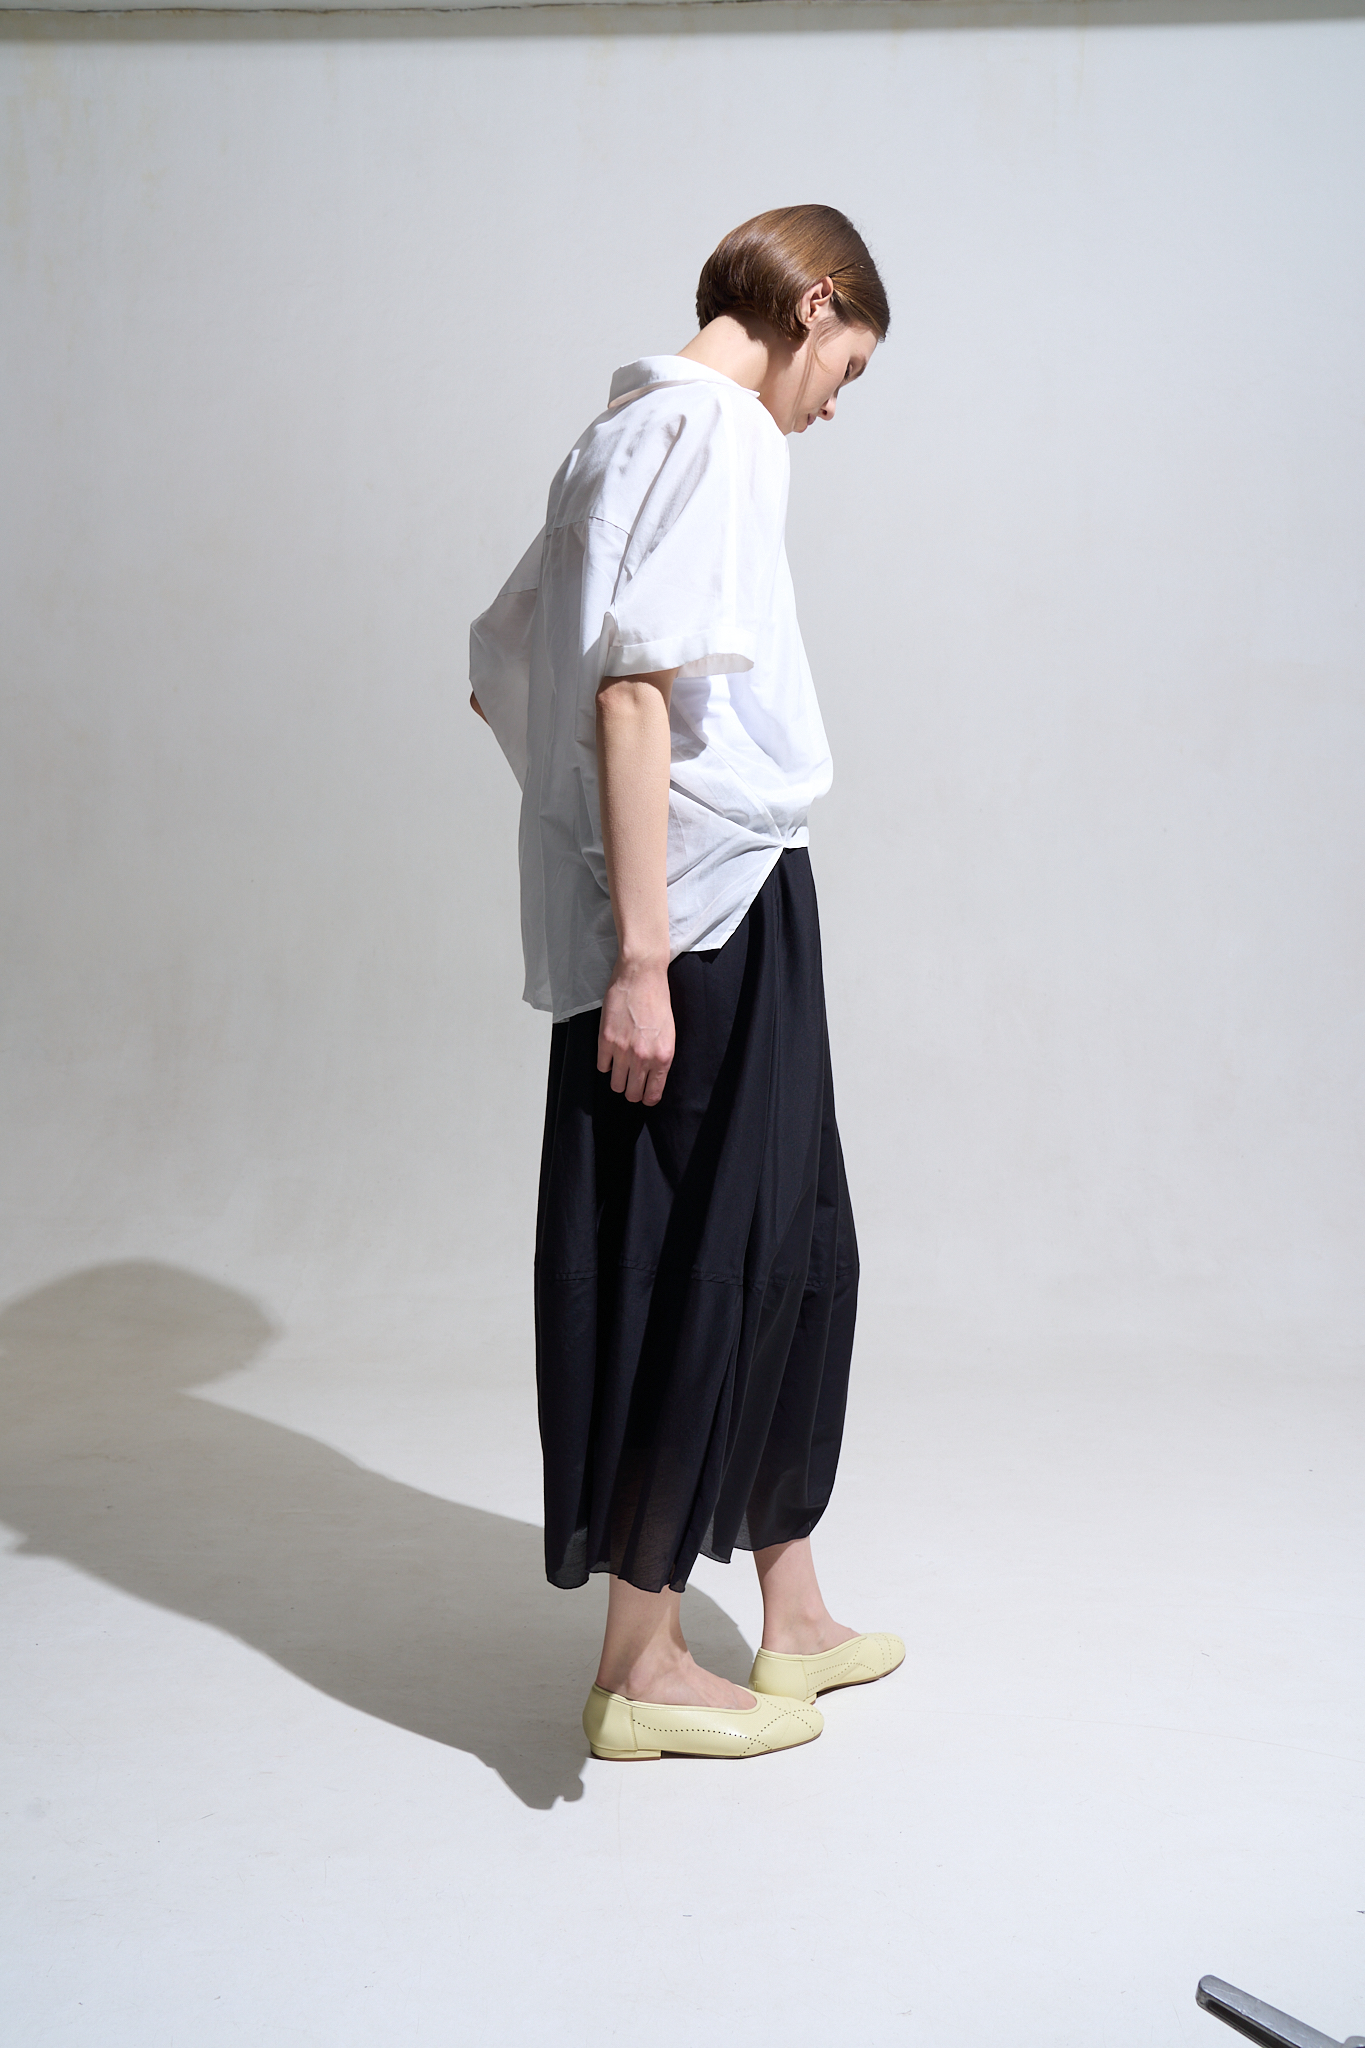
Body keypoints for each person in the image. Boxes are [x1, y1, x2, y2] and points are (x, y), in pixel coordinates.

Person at [469, 205, 904, 1762]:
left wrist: (602, 879)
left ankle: (791, 1614)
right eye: (847, 367)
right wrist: (643, 950)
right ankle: (641, 1668)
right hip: (704, 911)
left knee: (791, 1240)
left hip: (695, 894)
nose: (832, 404)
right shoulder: (720, 431)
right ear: (815, 303)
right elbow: (631, 695)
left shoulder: (616, 433)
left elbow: (505, 666)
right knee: (700, 1256)